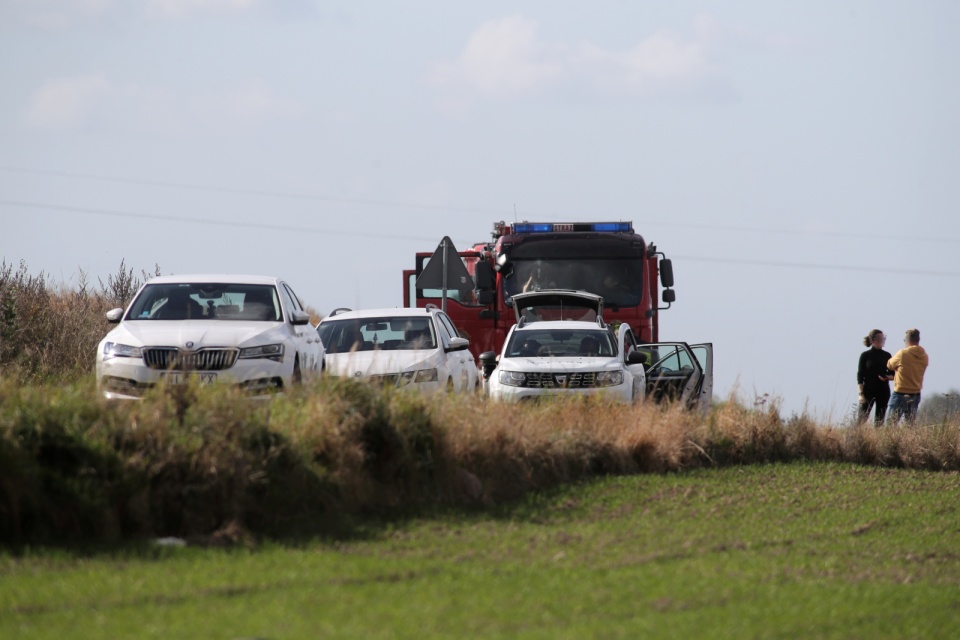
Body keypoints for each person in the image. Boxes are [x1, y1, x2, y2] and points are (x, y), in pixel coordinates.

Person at [886, 328, 929, 425]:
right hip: (915, 393)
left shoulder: (903, 353)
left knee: (890, 424)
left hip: (900, 392)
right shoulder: (924, 356)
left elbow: (889, 365)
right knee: (910, 424)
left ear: (907, 339)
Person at [857, 329, 893, 425]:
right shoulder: (865, 355)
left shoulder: (887, 355)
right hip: (868, 390)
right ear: (872, 340)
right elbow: (860, 375)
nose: (882, 340)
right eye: (880, 338)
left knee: (879, 420)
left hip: (883, 390)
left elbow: (894, 374)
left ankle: (878, 438)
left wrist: (887, 377)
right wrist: (860, 394)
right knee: (861, 419)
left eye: (883, 338)